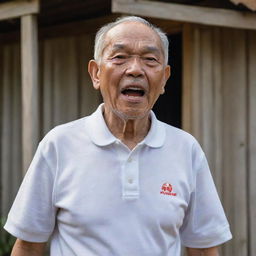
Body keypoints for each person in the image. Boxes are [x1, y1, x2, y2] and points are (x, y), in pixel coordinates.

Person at [4, 16, 232, 256]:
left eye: (150, 59)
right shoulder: (59, 145)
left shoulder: (186, 149)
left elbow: (204, 248)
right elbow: (28, 246)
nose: (135, 69)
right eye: (120, 57)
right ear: (96, 73)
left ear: (164, 78)